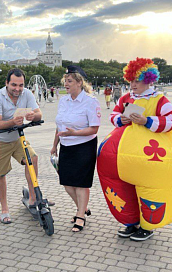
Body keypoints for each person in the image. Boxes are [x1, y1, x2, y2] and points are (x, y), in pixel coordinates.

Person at [97, 58, 172, 241]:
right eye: (131, 81)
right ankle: (130, 222)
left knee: (150, 190)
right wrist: (120, 120)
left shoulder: (159, 100)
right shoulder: (126, 98)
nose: (132, 85)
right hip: (124, 155)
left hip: (151, 157)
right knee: (124, 189)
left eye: (136, 81)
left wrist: (147, 121)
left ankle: (147, 226)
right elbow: (114, 114)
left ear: (148, 80)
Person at [0, 68, 54, 224]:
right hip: (0, 141)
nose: (17, 89)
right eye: (14, 85)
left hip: (18, 138)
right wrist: (13, 121)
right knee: (0, 174)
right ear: (7, 83)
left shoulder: (27, 94)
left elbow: (39, 114)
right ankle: (4, 209)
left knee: (33, 159)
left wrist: (33, 116)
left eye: (21, 85)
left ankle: (33, 198)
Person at [51, 66, 101, 232]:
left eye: (70, 81)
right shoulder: (63, 101)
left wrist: (76, 133)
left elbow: (94, 128)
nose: (66, 84)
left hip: (84, 147)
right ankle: (83, 207)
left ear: (79, 82)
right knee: (66, 182)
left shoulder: (90, 101)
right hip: (66, 146)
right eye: (65, 81)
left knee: (80, 184)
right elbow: (59, 126)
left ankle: (80, 215)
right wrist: (54, 145)